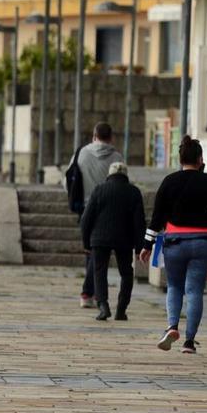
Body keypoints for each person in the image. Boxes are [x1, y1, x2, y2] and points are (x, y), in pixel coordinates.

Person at [140, 136, 207, 355]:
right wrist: (204, 178)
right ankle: (189, 342)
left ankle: (172, 326)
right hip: (203, 241)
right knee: (195, 289)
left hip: (175, 242)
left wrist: (147, 244)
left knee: (175, 287)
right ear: (200, 159)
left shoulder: (170, 181)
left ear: (180, 159)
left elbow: (157, 217)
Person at [67, 124, 125, 309]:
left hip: (85, 207)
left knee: (92, 249)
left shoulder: (80, 154)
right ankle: (88, 291)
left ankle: (89, 291)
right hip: (110, 209)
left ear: (94, 136)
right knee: (97, 251)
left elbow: (68, 179)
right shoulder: (117, 157)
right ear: (111, 137)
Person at [79, 162, 146, 322]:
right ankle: (121, 309)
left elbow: (86, 219)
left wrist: (86, 243)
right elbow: (140, 223)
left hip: (100, 238)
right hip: (125, 239)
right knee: (126, 273)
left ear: (109, 174)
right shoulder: (134, 192)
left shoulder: (99, 189)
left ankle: (103, 306)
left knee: (99, 271)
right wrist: (139, 248)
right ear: (126, 175)